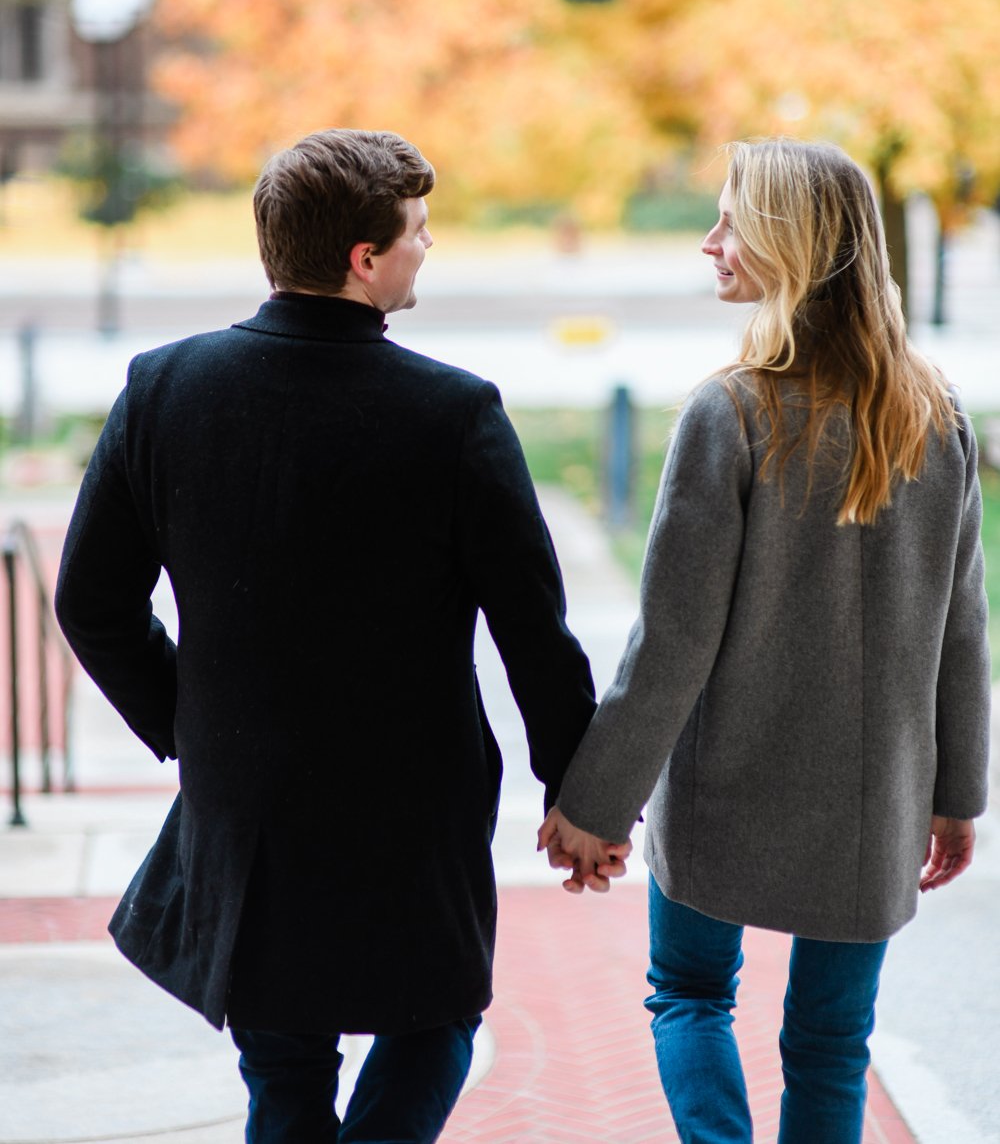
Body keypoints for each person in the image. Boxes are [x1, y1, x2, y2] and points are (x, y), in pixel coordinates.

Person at [55, 127, 608, 1144]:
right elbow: (535, 630)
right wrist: (579, 796)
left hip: (245, 798)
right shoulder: (453, 413)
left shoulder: (163, 388)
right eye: (417, 233)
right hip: (414, 806)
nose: (426, 248)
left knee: (283, 1062)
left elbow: (90, 602)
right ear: (364, 258)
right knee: (437, 1015)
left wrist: (189, 723)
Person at [540, 138, 991, 1144]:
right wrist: (957, 793)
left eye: (729, 223)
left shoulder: (730, 412)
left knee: (689, 996)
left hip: (728, 792)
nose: (709, 243)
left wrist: (592, 805)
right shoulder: (934, 414)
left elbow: (671, 642)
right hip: (877, 801)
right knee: (832, 1044)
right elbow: (964, 632)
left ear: (789, 244)